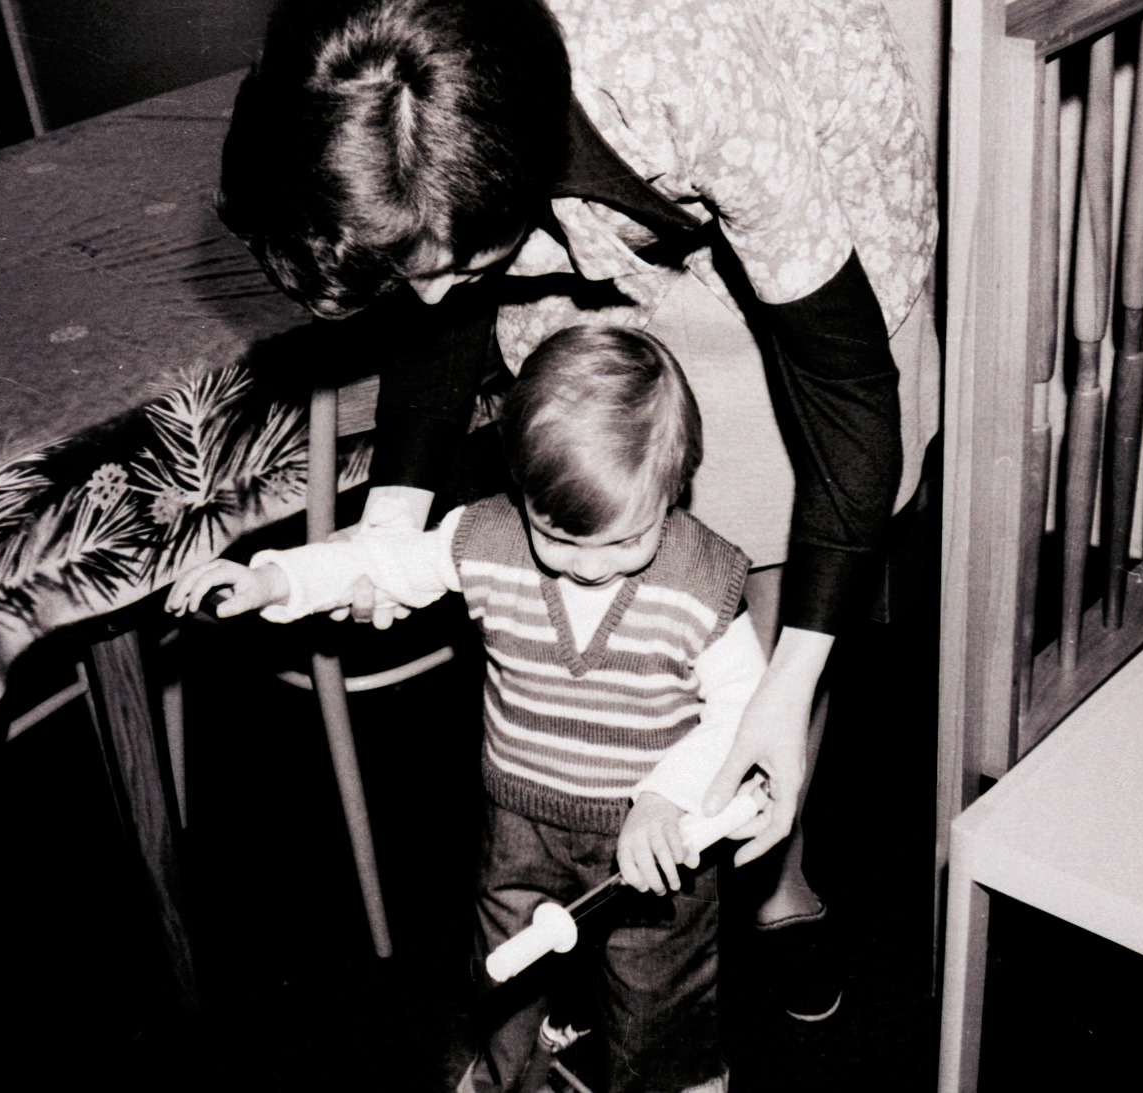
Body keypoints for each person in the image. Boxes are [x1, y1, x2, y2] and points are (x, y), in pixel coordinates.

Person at [218, 0, 936, 1020]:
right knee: (604, 523)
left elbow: (848, 390)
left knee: (768, 598)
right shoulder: (406, 96)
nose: (436, 299)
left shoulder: (685, 77)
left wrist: (786, 687)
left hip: (790, 178)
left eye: (465, 267)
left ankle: (777, 876)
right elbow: (442, 296)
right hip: (564, 194)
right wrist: (391, 519)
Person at [167, 326, 768, 1092]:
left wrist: (669, 795)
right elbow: (378, 557)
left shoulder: (701, 578)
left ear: (675, 485)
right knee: (505, 967)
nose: (587, 566)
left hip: (657, 832)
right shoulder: (484, 536)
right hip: (520, 815)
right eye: (557, 537)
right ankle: (509, 1071)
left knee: (659, 985)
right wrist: (277, 579)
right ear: (520, 490)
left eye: (625, 541)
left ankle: (672, 1079)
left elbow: (745, 708)